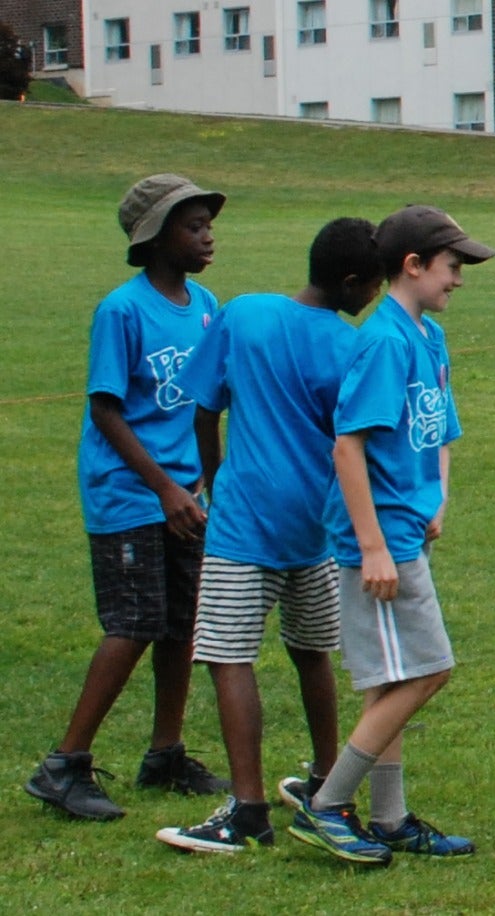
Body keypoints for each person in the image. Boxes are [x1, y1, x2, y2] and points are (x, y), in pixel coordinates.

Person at [156, 217, 382, 853]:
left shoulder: (244, 313)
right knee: (313, 652)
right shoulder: (350, 346)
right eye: (372, 286)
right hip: (318, 525)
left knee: (230, 654)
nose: (372, 297)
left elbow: (205, 407)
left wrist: (214, 476)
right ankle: (324, 782)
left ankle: (248, 809)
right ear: (349, 284)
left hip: (245, 521)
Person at [282, 205, 494, 864]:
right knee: (430, 669)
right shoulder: (383, 341)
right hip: (381, 540)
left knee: (389, 681)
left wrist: (439, 497)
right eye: (451, 267)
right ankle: (327, 805)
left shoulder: (426, 337)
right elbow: (348, 449)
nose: (458, 279)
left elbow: (440, 431)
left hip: (409, 524)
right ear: (413, 266)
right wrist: (373, 545)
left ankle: (391, 817)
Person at [30, 173, 230, 823]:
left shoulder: (205, 304)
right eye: (192, 225)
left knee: (180, 625)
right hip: (131, 492)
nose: (207, 236)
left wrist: (208, 480)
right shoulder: (122, 309)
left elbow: (206, 404)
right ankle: (64, 765)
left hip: (185, 494)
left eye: (208, 224)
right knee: (134, 622)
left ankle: (165, 754)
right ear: (154, 237)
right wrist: (165, 487)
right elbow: (107, 410)